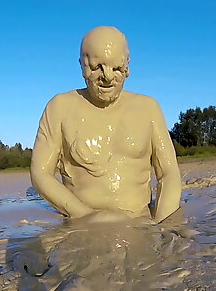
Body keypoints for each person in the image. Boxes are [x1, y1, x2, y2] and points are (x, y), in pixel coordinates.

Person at [30, 26, 181, 223]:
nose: (107, 77)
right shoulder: (59, 107)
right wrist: (85, 215)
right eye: (96, 67)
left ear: (127, 67)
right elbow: (40, 173)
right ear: (82, 66)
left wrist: (163, 224)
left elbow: (168, 173)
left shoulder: (148, 108)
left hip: (141, 221)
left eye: (116, 68)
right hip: (81, 224)